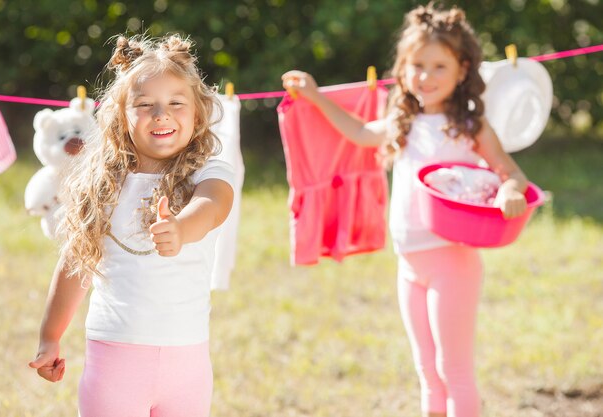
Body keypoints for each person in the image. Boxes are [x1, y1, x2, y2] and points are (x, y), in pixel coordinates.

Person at [281, 4, 528, 417]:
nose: (424, 77)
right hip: (409, 264)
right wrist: (315, 95)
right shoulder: (403, 120)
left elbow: (513, 173)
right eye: (416, 65)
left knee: (454, 369)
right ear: (403, 67)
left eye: (437, 67)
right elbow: (360, 133)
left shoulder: (469, 128)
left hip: (453, 264)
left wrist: (509, 192)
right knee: (426, 369)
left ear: (462, 69)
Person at [28, 34, 234, 417]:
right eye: (145, 105)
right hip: (114, 357)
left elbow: (214, 204)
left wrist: (182, 229)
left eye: (176, 103)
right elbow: (76, 264)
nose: (162, 114)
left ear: (198, 113)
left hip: (187, 360)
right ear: (121, 115)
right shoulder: (103, 183)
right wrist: (49, 337)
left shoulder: (209, 171)